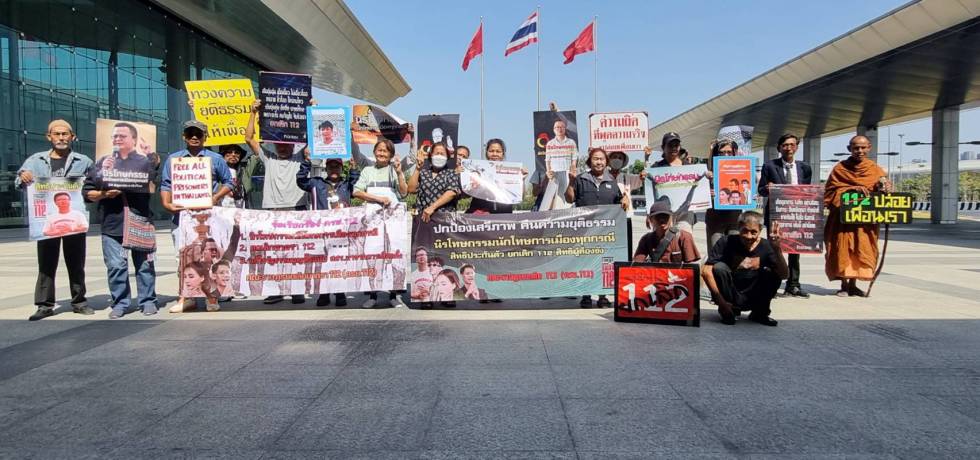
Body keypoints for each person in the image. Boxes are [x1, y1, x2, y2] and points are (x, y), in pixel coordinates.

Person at [17, 120, 93, 320]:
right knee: (46, 264)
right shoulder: (35, 160)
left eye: (65, 134)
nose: (61, 138)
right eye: (56, 134)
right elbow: (19, 180)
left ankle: (79, 302)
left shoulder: (84, 161)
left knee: (76, 263)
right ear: (48, 136)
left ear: (72, 137)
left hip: (74, 222)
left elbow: (93, 183)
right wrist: (23, 176)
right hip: (46, 221)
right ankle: (44, 305)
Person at [160, 119, 234, 313]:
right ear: (184, 136)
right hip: (182, 217)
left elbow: (229, 182)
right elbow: (166, 184)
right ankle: (187, 298)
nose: (194, 137)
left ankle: (211, 298)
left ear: (205, 137)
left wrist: (215, 197)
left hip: (209, 217)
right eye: (190, 133)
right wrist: (166, 203)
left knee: (210, 257)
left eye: (198, 134)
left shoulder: (216, 159)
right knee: (183, 258)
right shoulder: (174, 159)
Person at [245, 99, 307, 305]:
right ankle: (276, 290)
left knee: (296, 252)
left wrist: (312, 111)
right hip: (272, 210)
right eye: (278, 143)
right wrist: (253, 112)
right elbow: (248, 138)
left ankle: (297, 290)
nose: (281, 146)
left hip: (297, 208)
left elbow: (314, 142)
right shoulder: (268, 157)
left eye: (285, 143)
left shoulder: (299, 157)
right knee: (274, 253)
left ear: (292, 143)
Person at [83, 156, 157, 319]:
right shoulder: (101, 164)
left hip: (141, 221)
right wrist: (104, 194)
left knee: (145, 265)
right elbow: (87, 193)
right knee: (116, 266)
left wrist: (153, 163)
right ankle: (120, 302)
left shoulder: (143, 162)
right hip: (112, 224)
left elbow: (152, 185)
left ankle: (148, 300)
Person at [824, 135, 891, 297]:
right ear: (849, 149)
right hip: (842, 221)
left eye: (863, 147)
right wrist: (850, 190)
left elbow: (881, 193)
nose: (859, 151)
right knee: (842, 249)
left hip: (864, 221)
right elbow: (829, 193)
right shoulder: (840, 169)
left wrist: (884, 189)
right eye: (856, 148)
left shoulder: (876, 170)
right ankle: (844, 284)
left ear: (869, 148)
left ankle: (853, 284)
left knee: (861, 250)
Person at [563, 147, 628, 308]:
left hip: (606, 234)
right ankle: (586, 295)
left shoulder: (612, 182)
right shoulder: (580, 179)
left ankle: (602, 296)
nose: (599, 162)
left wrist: (625, 199)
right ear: (589, 161)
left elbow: (620, 202)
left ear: (606, 162)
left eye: (602, 159)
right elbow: (569, 199)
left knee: (605, 264)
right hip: (585, 233)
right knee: (585, 264)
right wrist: (571, 182)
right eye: (595, 159)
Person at [296, 151, 360, 307]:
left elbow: (357, 182)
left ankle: (340, 293)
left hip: (342, 231)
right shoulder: (316, 183)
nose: (334, 169)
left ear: (341, 168)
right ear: (326, 168)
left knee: (339, 262)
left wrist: (353, 168)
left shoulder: (347, 185)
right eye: (331, 166)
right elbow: (301, 180)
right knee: (322, 263)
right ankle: (323, 294)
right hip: (321, 230)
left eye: (337, 166)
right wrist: (307, 162)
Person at [701, 211, 786, 326]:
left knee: (773, 273)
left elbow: (783, 275)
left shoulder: (767, 246)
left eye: (753, 232)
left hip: (755, 294)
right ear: (738, 228)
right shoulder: (726, 242)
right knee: (719, 268)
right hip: (731, 294)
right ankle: (730, 310)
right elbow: (706, 271)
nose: (748, 236)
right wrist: (721, 303)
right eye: (745, 231)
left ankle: (760, 313)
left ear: (760, 230)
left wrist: (777, 249)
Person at [353, 139, 409, 309]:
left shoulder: (394, 170)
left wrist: (399, 173)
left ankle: (393, 295)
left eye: (386, 151)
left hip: (393, 220)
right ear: (374, 152)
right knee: (373, 254)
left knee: (393, 255)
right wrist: (377, 199)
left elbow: (404, 193)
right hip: (373, 220)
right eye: (379, 150)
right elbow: (356, 191)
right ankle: (373, 295)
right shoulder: (367, 170)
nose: (382, 153)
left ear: (391, 154)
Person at [758, 133, 813, 298]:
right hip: (776, 214)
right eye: (785, 145)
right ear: (779, 148)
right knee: (774, 250)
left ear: (796, 147)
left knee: (795, 250)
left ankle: (793, 284)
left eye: (792, 145)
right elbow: (760, 190)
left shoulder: (805, 167)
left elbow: (807, 190)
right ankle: (771, 284)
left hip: (796, 214)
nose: (789, 148)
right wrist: (767, 188)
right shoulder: (769, 166)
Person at [649, 132, 698, 233]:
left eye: (676, 145)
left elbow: (698, 188)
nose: (674, 148)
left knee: (685, 237)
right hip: (663, 213)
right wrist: (649, 213)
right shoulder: (656, 168)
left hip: (685, 212)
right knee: (665, 240)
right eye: (670, 145)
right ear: (663, 147)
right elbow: (650, 192)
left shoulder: (689, 168)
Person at [465, 139, 527, 214]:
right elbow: (467, 193)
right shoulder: (477, 169)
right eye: (491, 151)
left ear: (503, 154)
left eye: (498, 151)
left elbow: (520, 197)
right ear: (486, 153)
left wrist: (522, 180)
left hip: (504, 214)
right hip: (480, 215)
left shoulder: (510, 172)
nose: (494, 154)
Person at [632, 198, 701, 264]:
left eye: (665, 216)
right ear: (651, 219)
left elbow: (692, 268)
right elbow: (636, 265)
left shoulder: (684, 237)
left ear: (671, 218)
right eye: (658, 216)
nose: (662, 220)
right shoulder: (646, 239)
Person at [409, 141, 461, 223]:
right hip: (423, 219)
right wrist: (417, 169)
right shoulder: (423, 173)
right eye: (437, 153)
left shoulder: (451, 173)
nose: (439, 156)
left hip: (444, 220)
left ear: (447, 157)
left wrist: (432, 207)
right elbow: (411, 189)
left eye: (442, 154)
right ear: (431, 156)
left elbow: (452, 192)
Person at [705, 139, 742, 249]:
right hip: (715, 219)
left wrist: (751, 196)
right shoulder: (708, 172)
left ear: (734, 153)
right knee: (715, 253)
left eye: (729, 152)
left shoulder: (742, 169)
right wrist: (707, 193)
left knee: (734, 253)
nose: (726, 155)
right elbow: (699, 193)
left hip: (734, 219)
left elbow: (750, 187)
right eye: (722, 152)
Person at [94, 122, 151, 188]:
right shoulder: (103, 161)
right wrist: (103, 171)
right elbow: (93, 185)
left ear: (134, 140)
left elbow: (154, 179)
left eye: (122, 136)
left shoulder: (145, 161)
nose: (117, 139)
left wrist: (150, 154)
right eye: (115, 136)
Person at [607, 150, 646, 216]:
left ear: (623, 162)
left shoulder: (627, 177)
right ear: (609, 160)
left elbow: (643, 176)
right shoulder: (602, 177)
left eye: (620, 158)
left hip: (626, 215)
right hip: (608, 215)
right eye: (614, 157)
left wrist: (647, 157)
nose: (617, 159)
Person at [217, 144, 250, 209]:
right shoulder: (217, 170)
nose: (233, 155)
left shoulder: (244, 170)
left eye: (237, 153)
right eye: (229, 152)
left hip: (240, 208)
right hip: (222, 208)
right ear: (223, 155)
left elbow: (257, 156)